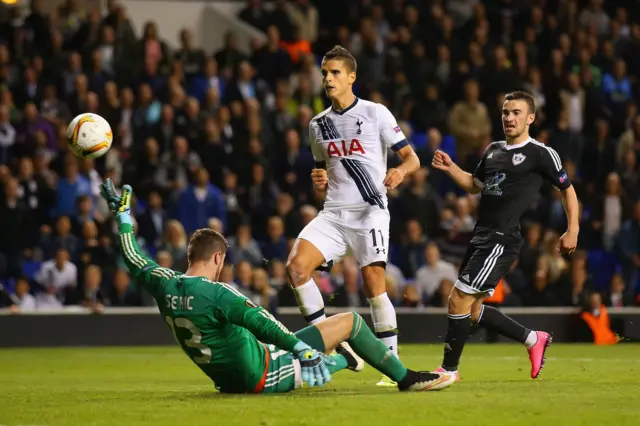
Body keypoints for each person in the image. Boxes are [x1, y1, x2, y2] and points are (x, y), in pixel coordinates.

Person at [100, 179, 454, 393]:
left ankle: (340, 356)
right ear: (219, 259)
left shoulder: (165, 283)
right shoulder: (220, 294)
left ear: (189, 255)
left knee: (308, 345)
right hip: (263, 375)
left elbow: (133, 256)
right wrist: (304, 350)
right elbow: (267, 326)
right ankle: (402, 376)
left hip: (227, 381)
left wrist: (122, 217)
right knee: (351, 323)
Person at [287, 45, 421, 387]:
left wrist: (400, 173)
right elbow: (323, 173)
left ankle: (391, 366)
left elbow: (411, 159)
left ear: (351, 77)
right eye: (325, 73)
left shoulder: (376, 113)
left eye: (335, 73)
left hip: (369, 212)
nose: (328, 79)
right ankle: (329, 346)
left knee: (374, 286)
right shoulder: (317, 125)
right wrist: (318, 181)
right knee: (296, 268)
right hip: (333, 213)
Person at [431, 91, 580, 380]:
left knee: (457, 299)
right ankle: (532, 339)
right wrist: (451, 168)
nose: (509, 118)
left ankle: (449, 370)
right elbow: (474, 185)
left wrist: (572, 229)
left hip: (502, 237)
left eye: (516, 113)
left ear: (531, 118)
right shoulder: (493, 150)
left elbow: (567, 190)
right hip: (480, 236)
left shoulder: (541, 153)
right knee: (472, 310)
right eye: (505, 112)